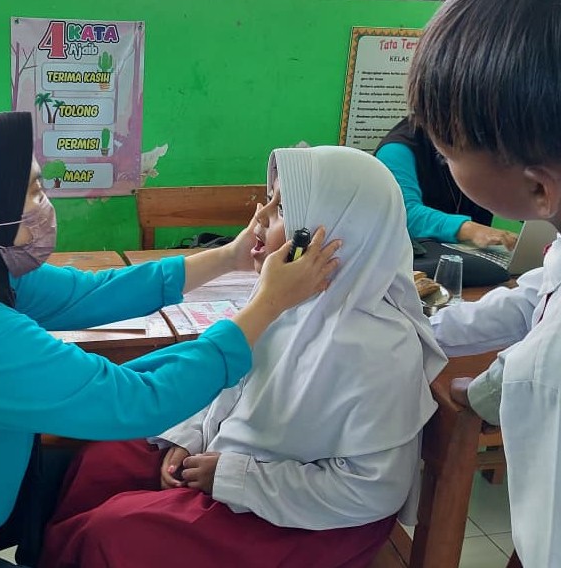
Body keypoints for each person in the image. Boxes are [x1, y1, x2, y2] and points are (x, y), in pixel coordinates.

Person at [0, 109, 341, 568]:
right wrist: (266, 306)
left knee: (86, 480)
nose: (44, 203)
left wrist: (229, 256)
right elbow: (136, 402)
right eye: (33, 190)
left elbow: (89, 293)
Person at [38, 146, 447, 568]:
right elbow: (227, 381)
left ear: (340, 235)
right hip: (237, 466)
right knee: (101, 463)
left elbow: (371, 490)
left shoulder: (381, 349)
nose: (259, 216)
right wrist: (189, 435)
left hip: (307, 516)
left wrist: (236, 476)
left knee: (113, 535)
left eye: (281, 208)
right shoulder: (289, 298)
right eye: (268, 199)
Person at [407, 0, 561, 565]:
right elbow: (532, 298)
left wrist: (475, 390)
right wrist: (424, 327)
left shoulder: (546, 366)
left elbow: (527, 368)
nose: (439, 158)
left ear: (538, 188)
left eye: (447, 150)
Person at [376, 117, 517, 249]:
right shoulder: (396, 149)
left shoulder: (484, 141)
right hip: (416, 256)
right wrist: (470, 230)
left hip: (471, 253)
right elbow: (403, 213)